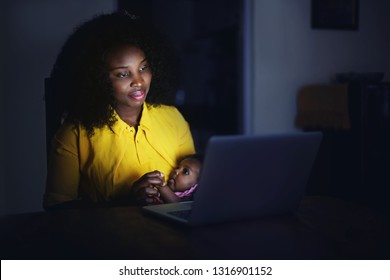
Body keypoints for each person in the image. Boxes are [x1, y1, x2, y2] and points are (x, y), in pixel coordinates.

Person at [43, 12, 195, 209]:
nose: (139, 82)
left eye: (143, 68)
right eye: (123, 74)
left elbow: (196, 187)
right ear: (98, 79)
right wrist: (127, 202)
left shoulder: (173, 117)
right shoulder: (74, 134)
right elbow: (57, 210)